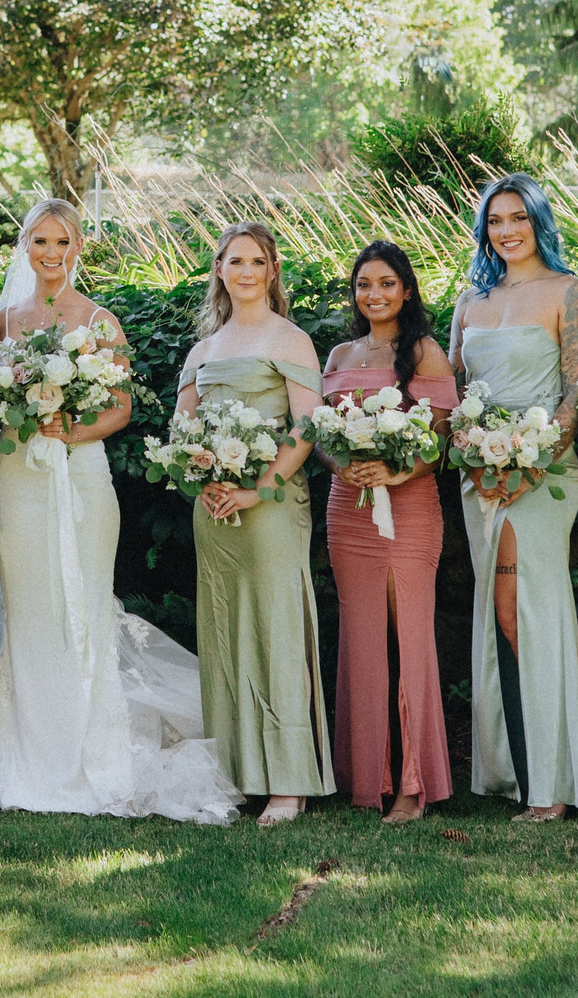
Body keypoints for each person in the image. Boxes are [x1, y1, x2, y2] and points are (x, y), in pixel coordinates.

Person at [0, 199, 237, 824]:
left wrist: (70, 432)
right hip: (17, 480)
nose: (50, 254)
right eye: (39, 242)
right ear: (25, 246)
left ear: (77, 246)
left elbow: (120, 407)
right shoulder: (1, 324)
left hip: (81, 479)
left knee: (81, 607)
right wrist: (18, 416)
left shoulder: (101, 321)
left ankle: (95, 753)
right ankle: (27, 759)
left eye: (62, 242)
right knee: (27, 611)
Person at [451, 174, 578, 823]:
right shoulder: (469, 301)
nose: (506, 230)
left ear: (539, 221)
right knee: (499, 615)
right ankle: (517, 771)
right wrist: (477, 452)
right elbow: (456, 390)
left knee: (528, 611)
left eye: (518, 217)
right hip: (481, 472)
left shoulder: (571, 294)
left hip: (544, 469)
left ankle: (555, 781)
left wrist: (530, 460)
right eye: (495, 220)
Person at [175, 221, 336, 825]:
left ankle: (288, 782)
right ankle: (238, 774)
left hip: (269, 505)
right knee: (222, 632)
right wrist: (205, 477)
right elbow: (181, 429)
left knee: (274, 628)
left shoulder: (290, 340)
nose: (245, 271)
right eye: (233, 261)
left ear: (272, 271)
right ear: (219, 269)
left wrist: (257, 489)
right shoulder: (203, 350)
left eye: (256, 261)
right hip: (213, 506)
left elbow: (304, 427)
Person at [318, 240, 457, 824]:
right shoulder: (339, 353)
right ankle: (363, 777)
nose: (373, 294)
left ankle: (413, 784)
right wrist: (343, 464)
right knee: (361, 641)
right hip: (348, 509)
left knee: (409, 643)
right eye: (363, 285)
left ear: (406, 289)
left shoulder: (424, 352)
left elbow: (442, 437)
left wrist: (397, 469)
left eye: (385, 284)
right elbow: (322, 435)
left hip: (409, 510)